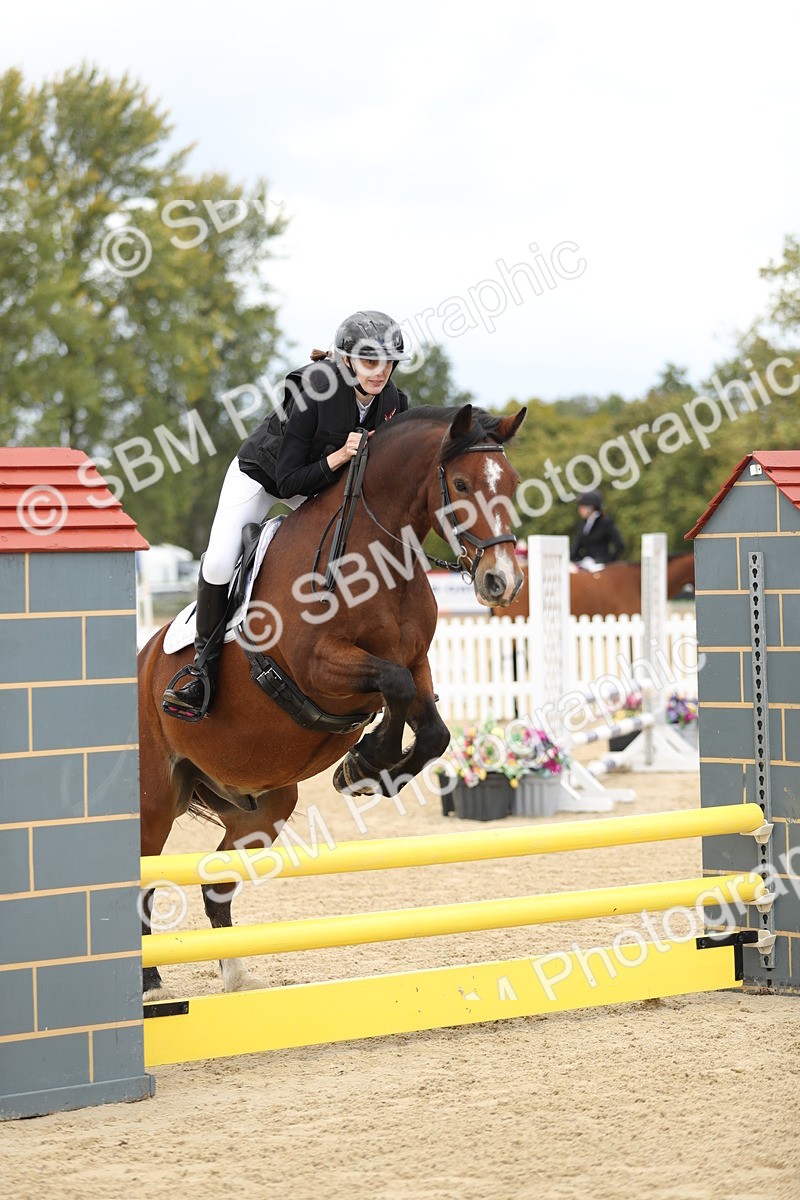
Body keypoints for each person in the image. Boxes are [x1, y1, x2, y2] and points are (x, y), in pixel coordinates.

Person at [162, 310, 411, 721]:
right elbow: (288, 478)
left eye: (387, 362)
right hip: (263, 477)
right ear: (346, 361)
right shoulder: (315, 391)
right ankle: (201, 670)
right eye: (370, 362)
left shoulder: (392, 403)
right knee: (222, 560)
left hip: (316, 484)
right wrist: (341, 455)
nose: (380, 372)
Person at [570, 490, 624, 570]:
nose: (579, 510)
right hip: (585, 563)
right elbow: (577, 545)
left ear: (590, 507)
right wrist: (574, 559)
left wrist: (608, 561)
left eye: (582, 507)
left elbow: (619, 545)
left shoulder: (605, 522)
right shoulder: (584, 524)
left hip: (600, 566)